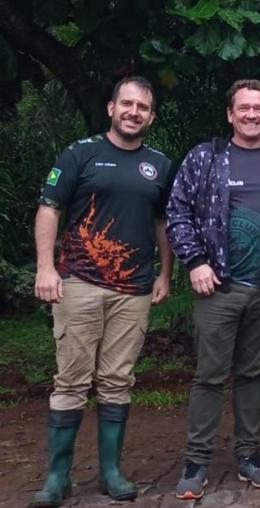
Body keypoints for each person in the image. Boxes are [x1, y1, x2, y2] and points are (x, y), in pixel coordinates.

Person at [31, 76, 173, 507]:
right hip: (79, 283)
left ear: (151, 116)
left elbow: (163, 224)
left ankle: (111, 471)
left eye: (142, 107)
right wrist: (45, 268)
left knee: (117, 381)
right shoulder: (80, 153)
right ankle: (58, 478)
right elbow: (49, 208)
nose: (134, 112)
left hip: (133, 290)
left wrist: (166, 274)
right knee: (71, 381)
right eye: (126, 104)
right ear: (111, 108)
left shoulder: (159, 164)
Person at [166, 79, 260, 500]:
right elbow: (177, 211)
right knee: (209, 376)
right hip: (217, 287)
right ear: (230, 113)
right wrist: (195, 261)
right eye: (244, 108)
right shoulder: (205, 158)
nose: (252, 115)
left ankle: (249, 456)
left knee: (252, 375)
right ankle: (196, 461)